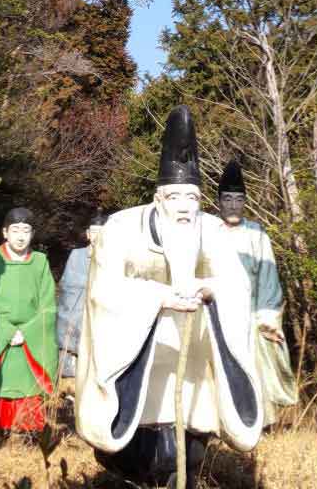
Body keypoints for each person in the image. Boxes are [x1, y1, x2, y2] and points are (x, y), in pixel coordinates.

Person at [75, 106, 262, 489]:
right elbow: (103, 290)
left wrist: (209, 289)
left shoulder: (212, 230)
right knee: (135, 452)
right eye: (174, 195)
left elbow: (237, 284)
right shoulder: (123, 227)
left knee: (186, 450)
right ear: (159, 198)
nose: (183, 205)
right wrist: (157, 297)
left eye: (191, 196)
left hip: (190, 361)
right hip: (138, 352)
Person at [217, 159, 298, 426]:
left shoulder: (256, 234)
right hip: (214, 317)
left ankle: (256, 423)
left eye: (238, 199)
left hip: (248, 318)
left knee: (253, 370)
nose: (232, 205)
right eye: (227, 198)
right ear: (219, 201)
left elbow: (268, 278)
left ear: (245, 202)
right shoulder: (207, 230)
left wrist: (267, 317)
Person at [0, 207, 59, 433]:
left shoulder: (39, 262)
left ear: (32, 234)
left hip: (30, 334)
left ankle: (28, 425)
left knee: (26, 379)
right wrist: (5, 330)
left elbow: (48, 305)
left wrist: (28, 331)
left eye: (26, 230)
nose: (20, 235)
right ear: (5, 232)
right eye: (15, 229)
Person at [57, 211, 107, 383]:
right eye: (94, 231)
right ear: (87, 234)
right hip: (73, 334)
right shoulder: (76, 256)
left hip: (102, 335)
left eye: (102, 232)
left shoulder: (115, 260)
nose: (97, 236)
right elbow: (66, 298)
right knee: (70, 388)